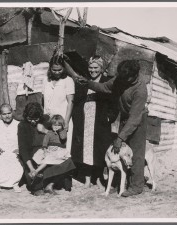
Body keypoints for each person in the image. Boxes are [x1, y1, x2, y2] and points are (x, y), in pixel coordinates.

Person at [67, 59, 148, 197]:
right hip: (124, 118)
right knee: (120, 153)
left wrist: (120, 137)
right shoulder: (121, 77)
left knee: (135, 153)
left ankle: (136, 186)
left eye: (126, 78)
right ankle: (120, 182)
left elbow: (134, 118)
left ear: (134, 75)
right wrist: (88, 83)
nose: (123, 80)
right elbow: (105, 87)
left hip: (137, 120)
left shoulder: (140, 90)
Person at [71, 55, 119, 189]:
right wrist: (77, 118)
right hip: (85, 121)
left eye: (96, 68)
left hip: (100, 122)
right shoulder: (82, 82)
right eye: (91, 68)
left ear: (101, 68)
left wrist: (110, 117)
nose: (93, 71)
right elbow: (77, 102)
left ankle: (97, 178)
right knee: (85, 151)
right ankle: (87, 179)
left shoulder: (106, 82)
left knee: (99, 150)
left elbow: (114, 103)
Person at [18, 102, 75, 196]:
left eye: (35, 119)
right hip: (32, 154)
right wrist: (31, 168)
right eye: (30, 119)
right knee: (35, 177)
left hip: (49, 150)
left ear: (40, 116)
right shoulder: (22, 125)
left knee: (67, 162)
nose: (33, 121)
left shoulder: (46, 120)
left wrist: (45, 130)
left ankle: (50, 185)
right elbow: (23, 149)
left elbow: (59, 135)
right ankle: (38, 184)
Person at [0, 104, 23, 193]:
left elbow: (24, 141)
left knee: (15, 158)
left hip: (14, 150)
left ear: (12, 113)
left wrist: (20, 149)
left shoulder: (19, 125)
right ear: (0, 115)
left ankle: (15, 183)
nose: (7, 116)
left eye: (9, 113)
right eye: (4, 114)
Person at [43, 55, 75, 153]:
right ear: (50, 68)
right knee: (49, 149)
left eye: (59, 70)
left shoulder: (68, 80)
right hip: (49, 122)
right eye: (54, 70)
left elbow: (70, 102)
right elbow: (43, 101)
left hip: (62, 121)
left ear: (64, 68)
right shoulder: (46, 80)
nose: (57, 72)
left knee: (62, 149)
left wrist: (66, 122)